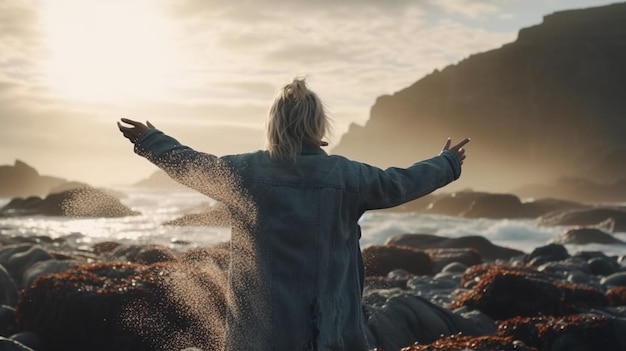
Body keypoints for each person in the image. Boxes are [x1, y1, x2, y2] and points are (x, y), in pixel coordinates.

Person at [117, 77, 469, 351]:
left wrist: (152, 140)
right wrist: (446, 163)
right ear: (319, 126)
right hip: (331, 329)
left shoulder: (246, 173)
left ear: (274, 125)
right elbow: (401, 183)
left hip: (260, 334)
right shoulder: (348, 177)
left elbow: (193, 165)